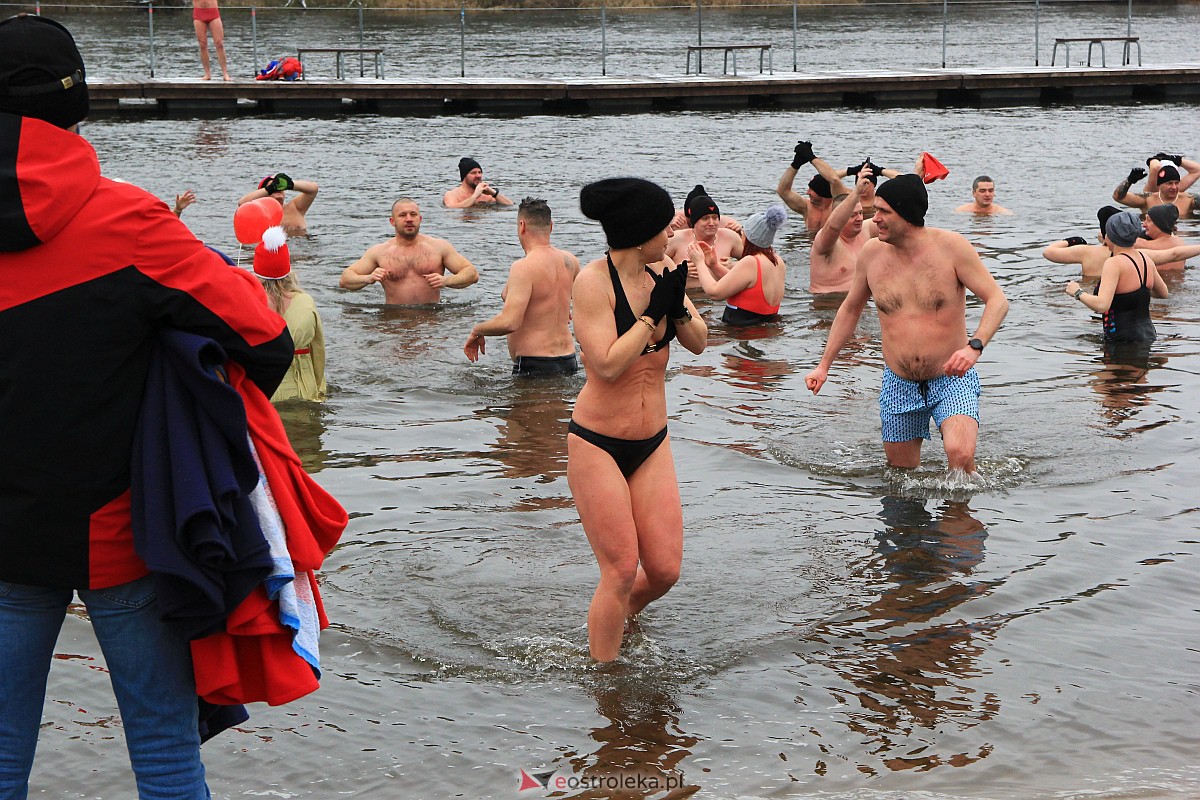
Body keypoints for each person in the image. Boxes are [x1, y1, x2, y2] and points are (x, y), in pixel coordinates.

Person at [0, 14, 294, 797]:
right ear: (79, 106)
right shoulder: (129, 220)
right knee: (163, 749)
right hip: (123, 530)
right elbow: (264, 338)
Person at [570, 177, 707, 661]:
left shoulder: (663, 269)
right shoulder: (592, 281)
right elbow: (606, 364)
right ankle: (605, 682)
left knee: (665, 569)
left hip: (652, 441)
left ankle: (617, 618)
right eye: (664, 227)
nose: (672, 234)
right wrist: (651, 317)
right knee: (621, 568)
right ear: (640, 233)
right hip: (597, 442)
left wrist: (677, 308)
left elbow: (699, 341)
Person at [804, 174, 1009, 474]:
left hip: (951, 377)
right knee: (902, 473)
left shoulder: (952, 247)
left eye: (884, 211)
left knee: (960, 455)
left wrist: (974, 347)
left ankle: (959, 516)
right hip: (899, 381)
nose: (877, 219)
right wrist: (823, 365)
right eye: (876, 210)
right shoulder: (872, 254)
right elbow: (850, 310)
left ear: (908, 214)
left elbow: (997, 300)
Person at [464, 197, 581, 377]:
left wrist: (477, 329)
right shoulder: (570, 261)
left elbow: (510, 322)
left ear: (522, 225)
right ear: (551, 226)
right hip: (568, 359)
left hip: (535, 362)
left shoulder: (523, 267)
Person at [340, 197, 478, 305]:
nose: (409, 219)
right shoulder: (379, 252)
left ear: (420, 219)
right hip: (393, 317)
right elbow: (345, 279)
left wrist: (447, 281)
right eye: (402, 215)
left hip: (431, 318)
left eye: (413, 214)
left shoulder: (439, 247)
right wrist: (368, 278)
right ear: (392, 221)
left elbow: (472, 274)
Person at [1065, 211, 1168, 344]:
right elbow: (1163, 293)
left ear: (1111, 236)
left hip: (1121, 340)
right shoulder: (1145, 259)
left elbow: (1102, 305)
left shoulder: (1114, 263)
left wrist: (1077, 292)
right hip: (1148, 335)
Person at [254, 227, 327, 402]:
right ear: (288, 270)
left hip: (264, 389)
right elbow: (318, 350)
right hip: (304, 386)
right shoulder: (306, 302)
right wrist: (320, 389)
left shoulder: (247, 303)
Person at [692, 203, 787, 325]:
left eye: (742, 234)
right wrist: (714, 265)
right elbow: (743, 284)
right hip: (764, 328)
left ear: (749, 238)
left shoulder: (751, 262)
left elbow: (714, 293)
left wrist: (699, 262)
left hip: (740, 331)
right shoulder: (777, 261)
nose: (740, 238)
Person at [1047, 205, 1200, 278]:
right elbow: (1174, 254)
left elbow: (1049, 252)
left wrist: (1072, 240)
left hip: (1092, 297)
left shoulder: (1086, 252)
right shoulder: (1137, 254)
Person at [808, 170, 874, 294]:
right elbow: (833, 227)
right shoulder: (825, 242)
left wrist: (916, 178)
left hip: (857, 304)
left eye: (860, 213)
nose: (859, 218)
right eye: (852, 215)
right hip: (828, 303)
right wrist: (856, 193)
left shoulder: (866, 231)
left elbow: (893, 218)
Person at [664, 185, 743, 289]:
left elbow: (757, 261)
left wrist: (733, 266)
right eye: (705, 218)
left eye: (715, 218)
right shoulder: (677, 239)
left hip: (720, 299)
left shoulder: (729, 237)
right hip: (688, 296)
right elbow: (649, 265)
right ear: (694, 221)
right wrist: (678, 271)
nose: (711, 223)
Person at [1113, 156, 1200, 218]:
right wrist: (1129, 181)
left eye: (1176, 183)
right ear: (1160, 185)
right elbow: (1118, 197)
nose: (1174, 187)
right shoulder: (1147, 199)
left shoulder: (1189, 199)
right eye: (1169, 183)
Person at [776, 140, 834, 231]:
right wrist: (795, 165)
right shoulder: (806, 207)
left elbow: (834, 178)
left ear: (822, 192)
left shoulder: (840, 209)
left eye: (812, 190)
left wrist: (811, 157)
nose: (807, 192)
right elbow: (783, 191)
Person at [237, 172, 319, 236]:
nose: (277, 188)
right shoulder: (258, 214)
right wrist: (271, 188)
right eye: (273, 188)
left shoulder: (296, 208)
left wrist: (290, 184)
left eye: (280, 187)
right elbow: (242, 203)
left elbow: (313, 189)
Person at [443, 157, 513, 208]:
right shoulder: (452, 195)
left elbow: (510, 206)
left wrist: (494, 193)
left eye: (480, 172)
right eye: (473, 173)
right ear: (464, 176)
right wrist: (474, 196)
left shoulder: (487, 196)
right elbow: (451, 209)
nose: (478, 176)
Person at [1135, 203, 1188, 271]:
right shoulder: (1179, 242)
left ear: (1160, 223)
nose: (1144, 224)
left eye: (1148, 220)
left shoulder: (1144, 245)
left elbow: (1121, 239)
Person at [192, 0, 230, 81]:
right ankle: (207, 74)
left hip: (213, 12)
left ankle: (225, 73)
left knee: (219, 43)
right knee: (202, 45)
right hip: (199, 12)